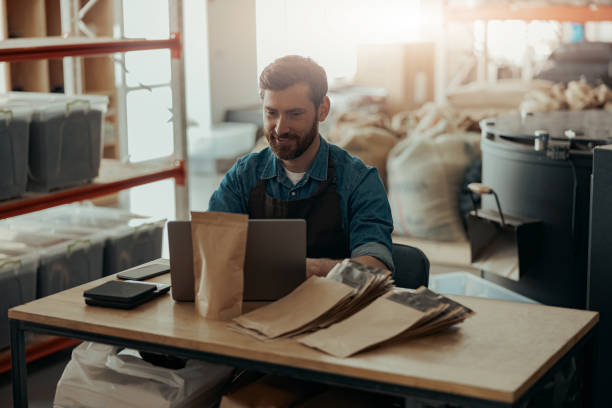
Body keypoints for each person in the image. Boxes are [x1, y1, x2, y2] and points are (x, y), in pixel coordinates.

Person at [209, 55, 394, 277]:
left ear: (323, 109)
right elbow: (213, 251)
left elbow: (376, 268)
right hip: (260, 309)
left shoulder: (359, 180)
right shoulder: (242, 176)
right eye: (271, 113)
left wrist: (313, 269)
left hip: (337, 308)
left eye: (294, 114)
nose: (280, 128)